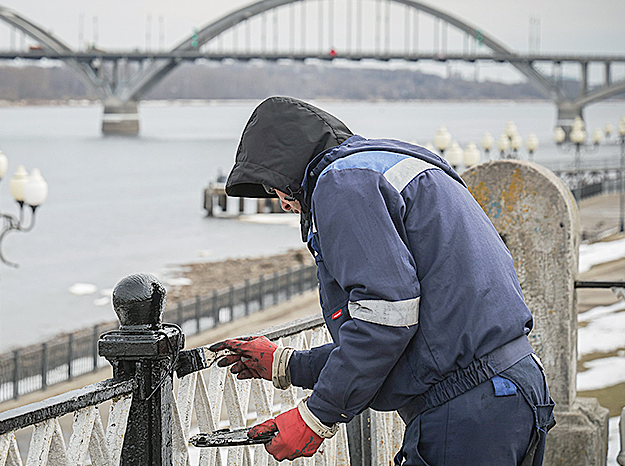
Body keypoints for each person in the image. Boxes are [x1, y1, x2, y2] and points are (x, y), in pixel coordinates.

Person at [212, 96, 555, 465]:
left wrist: (315, 418)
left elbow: (384, 320)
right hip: (512, 389)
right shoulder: (384, 164)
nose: (279, 201)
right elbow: (420, 336)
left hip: (467, 410)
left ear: (288, 169)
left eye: (272, 187)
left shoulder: (340, 184)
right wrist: (288, 364)